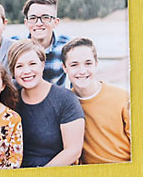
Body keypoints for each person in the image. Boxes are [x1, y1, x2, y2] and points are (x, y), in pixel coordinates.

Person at [7, 39, 85, 168]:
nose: (27, 71)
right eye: (19, 66)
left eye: (32, 64)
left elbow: (73, 151)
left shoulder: (65, 99)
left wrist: (40, 176)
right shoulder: (10, 98)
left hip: (53, 173)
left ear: (42, 65)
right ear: (13, 71)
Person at [62, 37, 131, 164]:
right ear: (64, 68)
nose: (82, 71)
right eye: (74, 65)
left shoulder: (122, 97)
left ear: (96, 64)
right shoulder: (65, 103)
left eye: (88, 63)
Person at [17, 0, 70, 85]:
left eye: (45, 17)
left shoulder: (67, 46)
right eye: (33, 18)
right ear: (26, 23)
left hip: (56, 98)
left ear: (55, 22)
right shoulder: (15, 45)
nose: (38, 23)